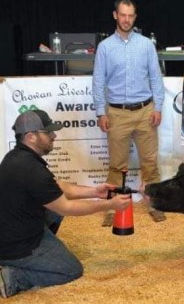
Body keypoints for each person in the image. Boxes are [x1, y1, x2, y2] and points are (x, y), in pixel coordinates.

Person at [0, 110, 131, 298]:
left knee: (53, 209)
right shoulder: (30, 169)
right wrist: (109, 205)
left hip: (13, 227)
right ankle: (12, 277)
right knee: (70, 269)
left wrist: (96, 192)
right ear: (31, 137)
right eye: (48, 133)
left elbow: (57, 187)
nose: (54, 136)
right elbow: (66, 207)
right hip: (15, 245)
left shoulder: (18, 157)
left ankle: (37, 252)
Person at [92, 0, 166, 224]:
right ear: (115, 15)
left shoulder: (145, 45)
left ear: (135, 17)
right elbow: (98, 81)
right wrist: (100, 112)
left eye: (130, 15)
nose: (126, 19)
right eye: (122, 15)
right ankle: (113, 208)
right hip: (117, 113)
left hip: (145, 111)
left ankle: (154, 203)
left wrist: (159, 107)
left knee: (150, 162)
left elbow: (156, 78)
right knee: (117, 165)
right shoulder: (105, 48)